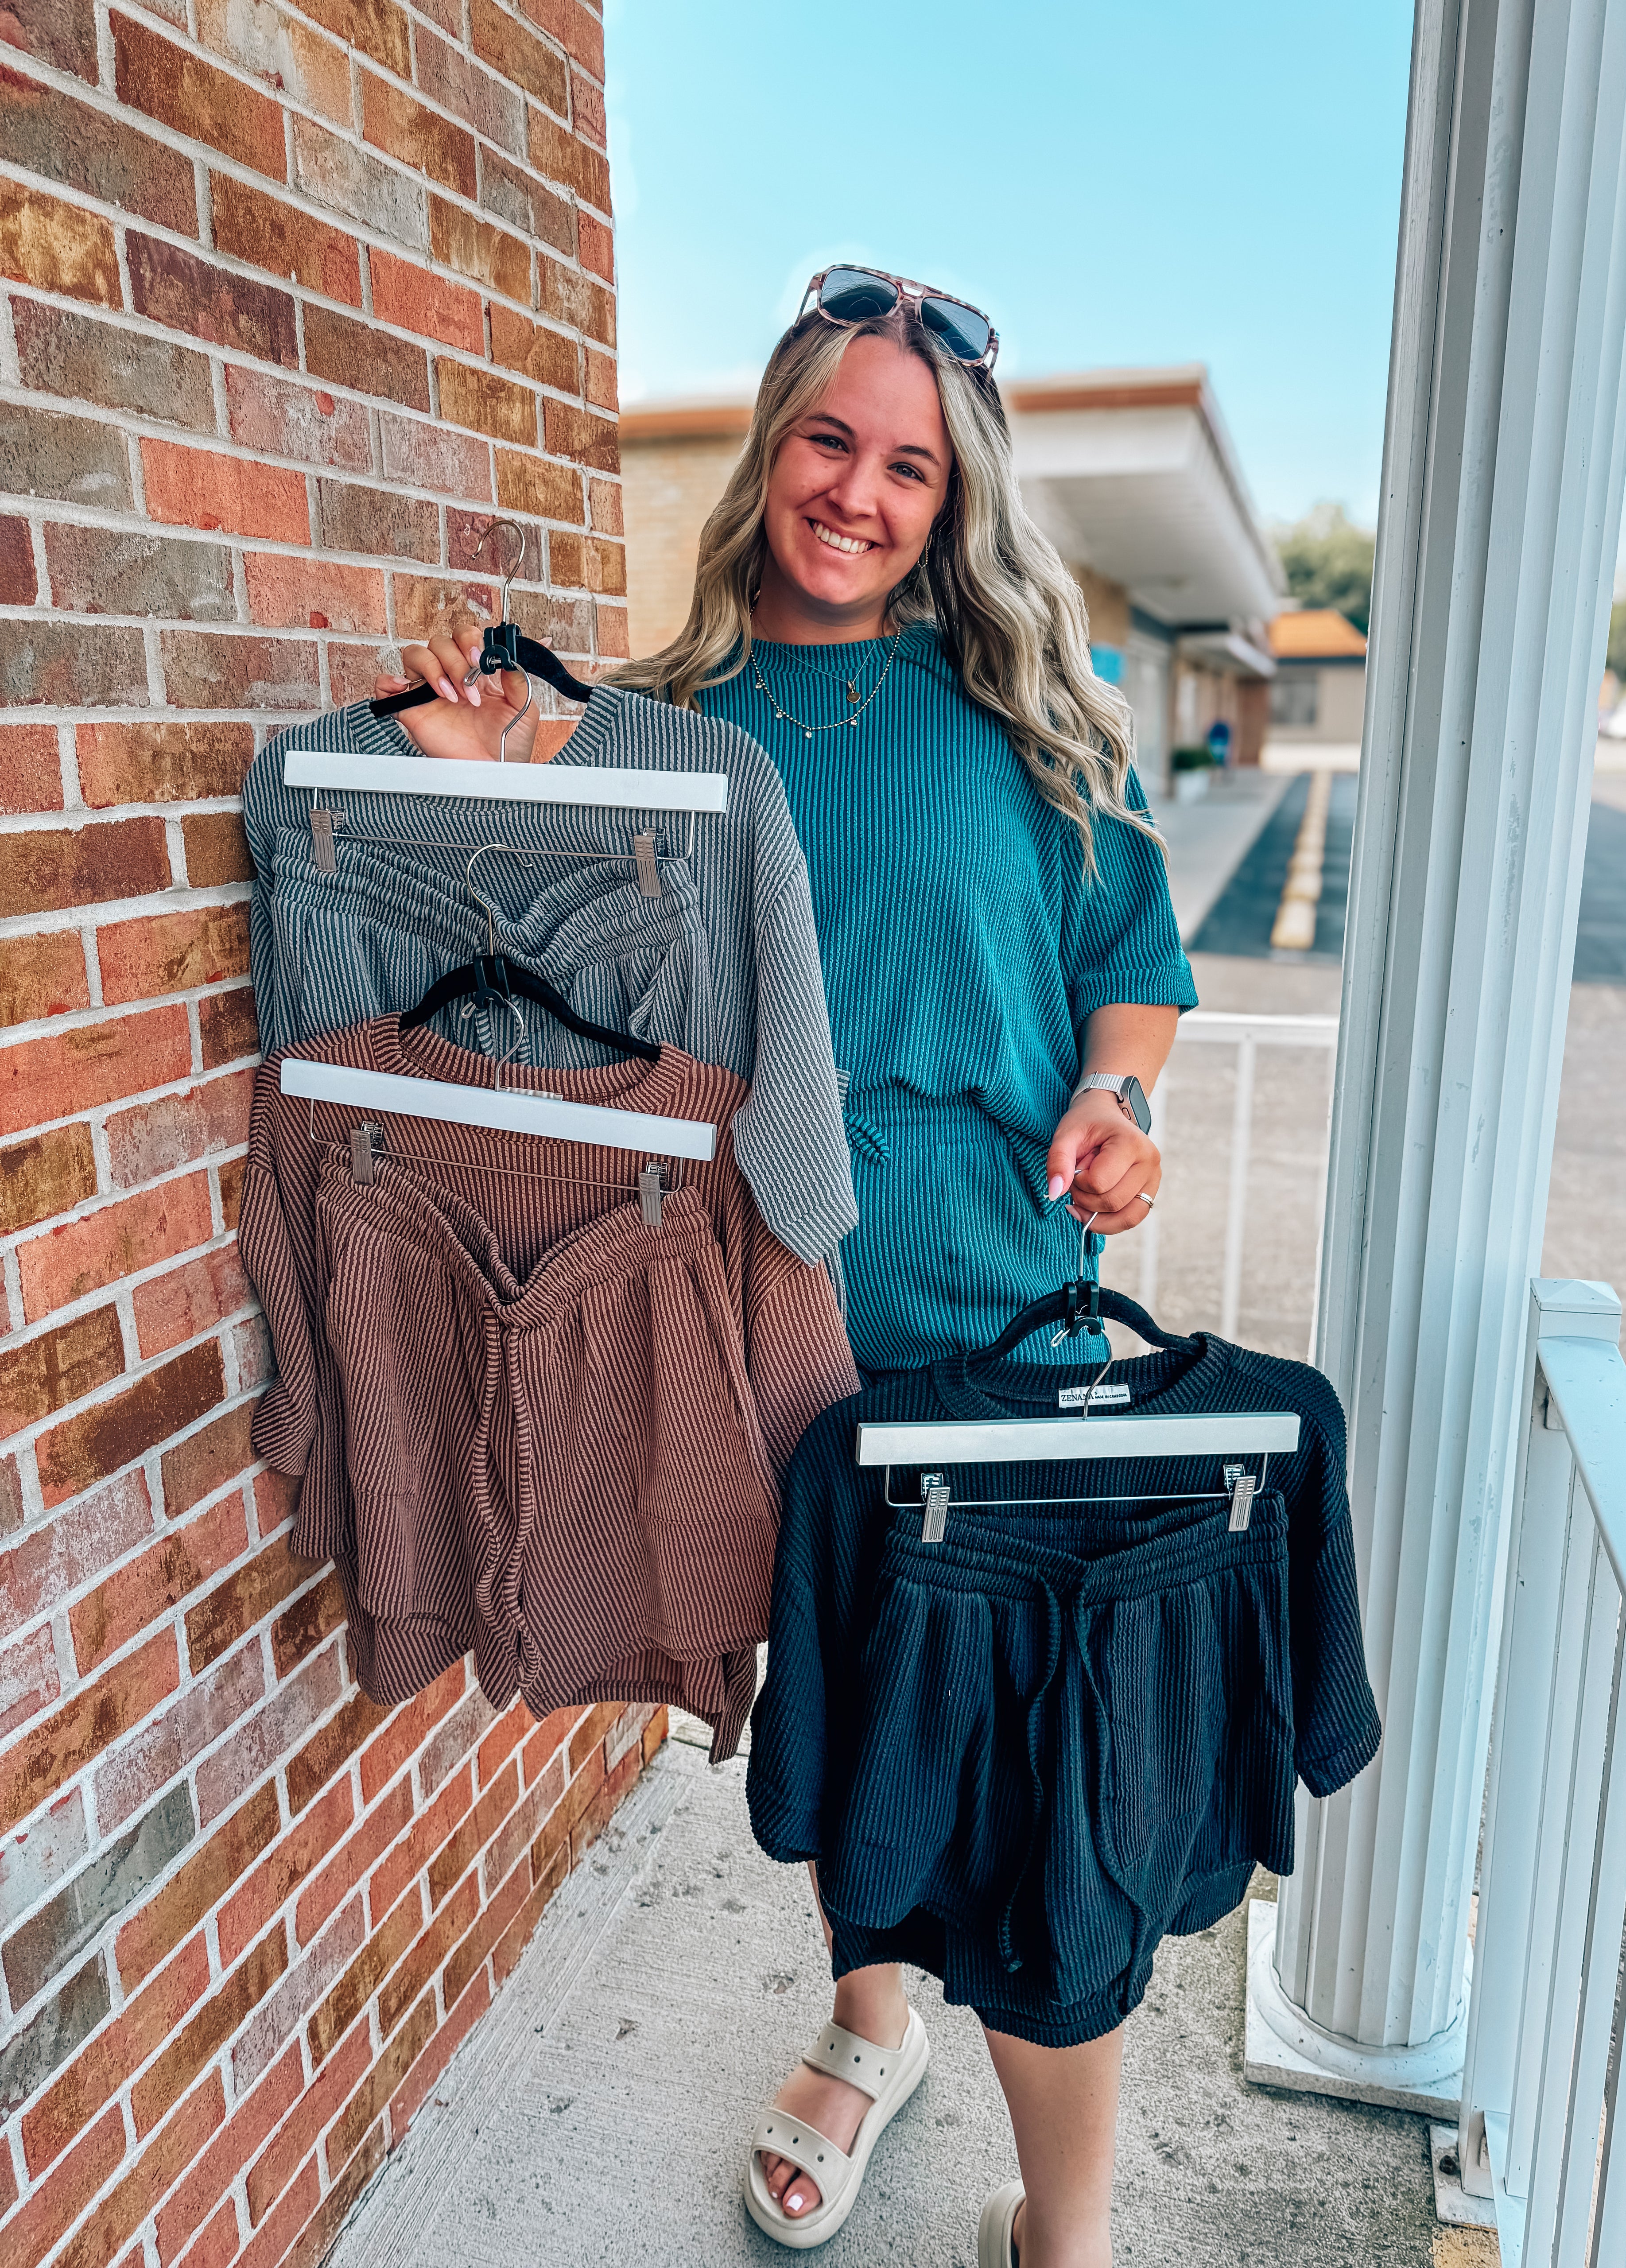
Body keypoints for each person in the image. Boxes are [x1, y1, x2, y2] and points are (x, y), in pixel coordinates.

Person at [379, 264, 1196, 2268]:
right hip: (756, 1331)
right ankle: (867, 2024)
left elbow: (1130, 962)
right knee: (856, 1729)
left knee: (1037, 1800)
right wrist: (479, 779)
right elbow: (543, 1000)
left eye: (911, 465)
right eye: (832, 438)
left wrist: (1116, 1095)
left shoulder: (1027, 713)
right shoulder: (658, 727)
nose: (861, 491)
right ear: (772, 446)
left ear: (954, 497)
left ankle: (1064, 2231)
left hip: (998, 1323)